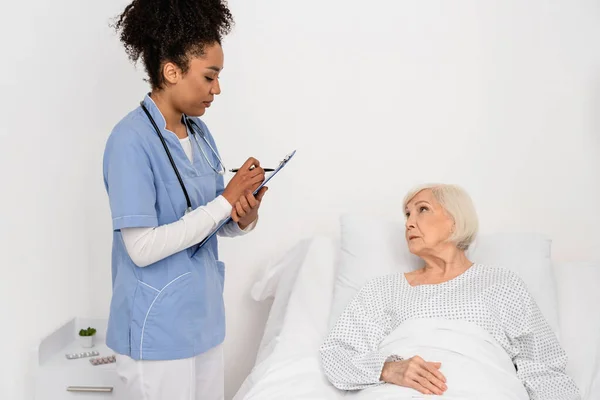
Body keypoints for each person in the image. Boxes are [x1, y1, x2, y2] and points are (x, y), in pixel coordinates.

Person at [102, 1, 266, 399]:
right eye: (209, 76)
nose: (217, 89)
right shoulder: (130, 141)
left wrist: (242, 215)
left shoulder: (201, 134)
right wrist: (225, 202)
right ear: (171, 71)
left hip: (203, 321)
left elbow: (210, 221)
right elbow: (140, 248)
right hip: (155, 331)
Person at [319, 184, 580, 399]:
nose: (409, 223)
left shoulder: (501, 283)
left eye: (422, 210)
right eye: (407, 215)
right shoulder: (382, 289)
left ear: (455, 221)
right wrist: (387, 369)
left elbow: (543, 366)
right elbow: (337, 353)